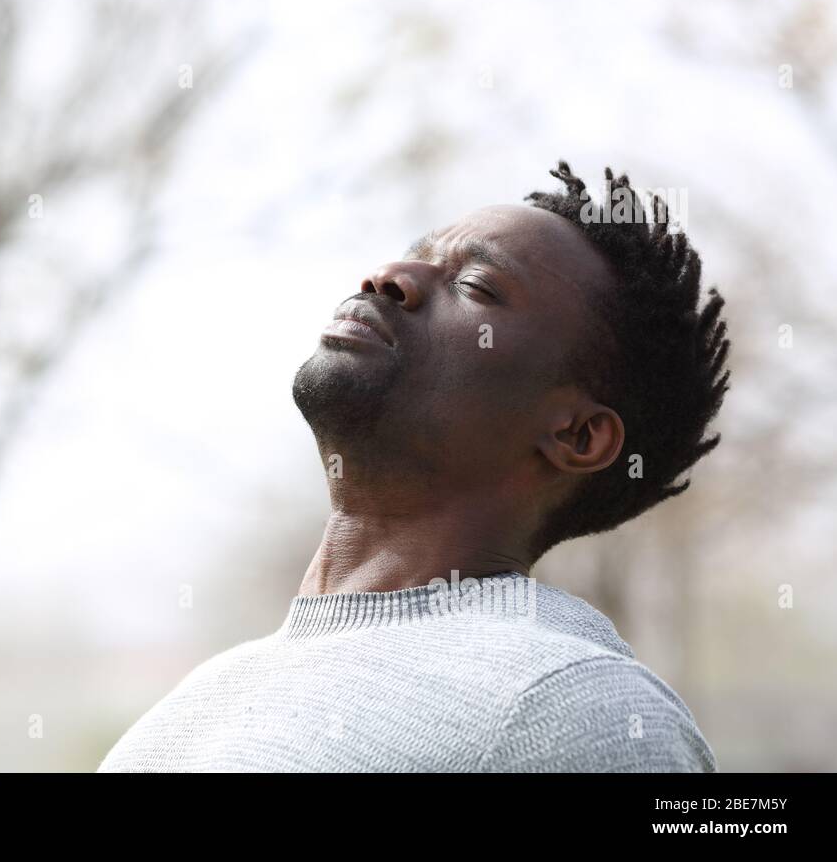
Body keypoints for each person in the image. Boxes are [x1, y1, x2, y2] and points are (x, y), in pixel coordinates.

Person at [97, 162, 730, 772]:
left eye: (476, 286)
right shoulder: (186, 713)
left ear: (576, 434)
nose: (388, 275)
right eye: (413, 253)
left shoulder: (574, 707)